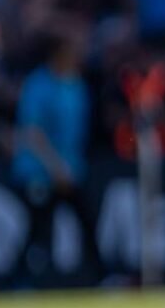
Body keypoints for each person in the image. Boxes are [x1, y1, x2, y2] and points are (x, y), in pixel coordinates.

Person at [10, 32, 103, 286]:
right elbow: (32, 132)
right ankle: (22, 282)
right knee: (39, 230)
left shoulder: (76, 84)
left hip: (72, 171)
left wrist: (68, 168)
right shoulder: (38, 84)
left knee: (87, 222)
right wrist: (55, 167)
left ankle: (100, 277)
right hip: (39, 172)